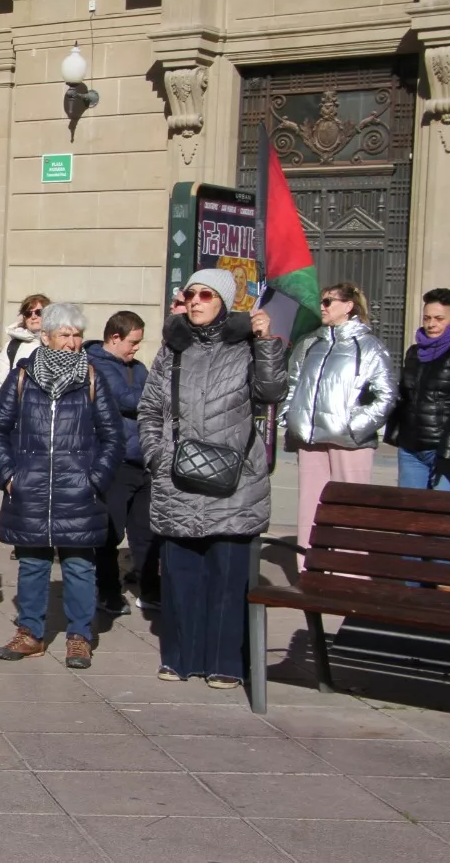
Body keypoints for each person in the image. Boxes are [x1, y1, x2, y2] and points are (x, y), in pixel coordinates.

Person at [137, 269, 286, 687]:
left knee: (227, 576)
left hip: (234, 481)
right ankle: (180, 658)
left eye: (206, 294)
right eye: (191, 293)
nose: (196, 301)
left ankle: (225, 663)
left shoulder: (246, 344)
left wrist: (266, 344)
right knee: (182, 575)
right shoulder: (173, 347)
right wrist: (156, 455)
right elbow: (150, 408)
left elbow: (272, 393)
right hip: (177, 478)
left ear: (223, 301)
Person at [0, 303, 122, 669]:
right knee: (32, 564)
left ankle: (79, 636)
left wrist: (95, 480)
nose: (72, 343)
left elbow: (113, 436)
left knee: (79, 566)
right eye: (65, 334)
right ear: (45, 337)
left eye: (77, 335)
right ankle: (30, 632)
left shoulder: (92, 377)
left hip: (78, 489)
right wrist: (8, 476)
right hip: (29, 488)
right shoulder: (22, 376)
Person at [283, 281, 397, 557]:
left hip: (350, 442)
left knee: (351, 509)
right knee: (311, 506)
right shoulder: (310, 343)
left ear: (348, 307)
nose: (322, 307)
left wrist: (354, 426)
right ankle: (310, 569)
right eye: (321, 301)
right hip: (311, 440)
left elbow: (387, 394)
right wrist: (291, 417)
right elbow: (293, 383)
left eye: (328, 302)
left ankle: (349, 574)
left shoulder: (369, 346)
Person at [86, 312, 156, 615]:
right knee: (110, 532)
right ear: (115, 338)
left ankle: (152, 590)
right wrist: (157, 397)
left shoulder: (138, 368)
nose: (136, 349)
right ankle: (109, 591)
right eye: (132, 342)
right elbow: (127, 399)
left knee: (146, 532)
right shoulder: (96, 365)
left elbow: (147, 396)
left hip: (144, 460)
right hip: (115, 462)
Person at [386, 287, 450, 492]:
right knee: (411, 514)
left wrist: (448, 452)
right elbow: (405, 397)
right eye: (427, 318)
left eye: (439, 318)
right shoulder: (415, 352)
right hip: (411, 448)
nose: (431, 324)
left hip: (446, 447)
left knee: (441, 517)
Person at [0, 294, 50, 406]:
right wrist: (4, 407)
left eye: (39, 312)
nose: (33, 316)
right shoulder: (13, 346)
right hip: (17, 417)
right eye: (28, 313)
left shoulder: (59, 344)